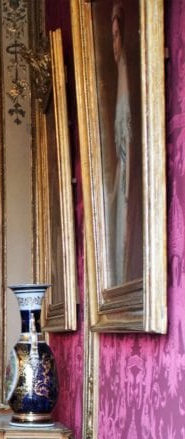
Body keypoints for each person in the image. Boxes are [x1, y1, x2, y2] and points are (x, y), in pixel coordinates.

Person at [109, 0, 131, 284]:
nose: (114, 44)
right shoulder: (121, 83)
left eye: (117, 35)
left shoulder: (130, 87)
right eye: (112, 36)